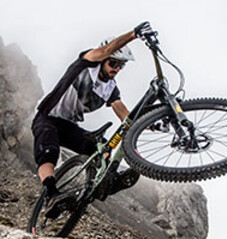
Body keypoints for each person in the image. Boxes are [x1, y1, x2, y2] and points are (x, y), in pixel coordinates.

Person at [32, 21, 154, 200]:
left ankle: (105, 184)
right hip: (47, 118)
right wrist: (133, 34)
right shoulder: (86, 64)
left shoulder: (111, 88)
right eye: (113, 63)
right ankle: (50, 194)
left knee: (104, 148)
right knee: (49, 151)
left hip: (69, 126)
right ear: (104, 60)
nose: (116, 69)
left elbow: (123, 114)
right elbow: (105, 51)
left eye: (121, 66)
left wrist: (148, 124)